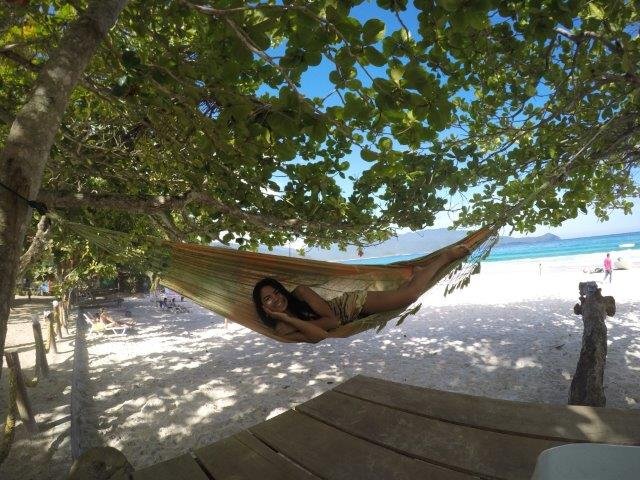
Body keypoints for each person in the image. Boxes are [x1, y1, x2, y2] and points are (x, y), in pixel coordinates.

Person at [252, 245, 470, 343]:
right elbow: (319, 337)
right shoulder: (281, 329)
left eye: (276, 292)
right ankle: (418, 275)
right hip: (351, 319)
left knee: (410, 296)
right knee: (402, 294)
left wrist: (301, 325)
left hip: (353, 304)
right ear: (263, 307)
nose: (276, 299)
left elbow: (332, 320)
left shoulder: (301, 292)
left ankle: (444, 258)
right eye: (268, 299)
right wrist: (288, 319)